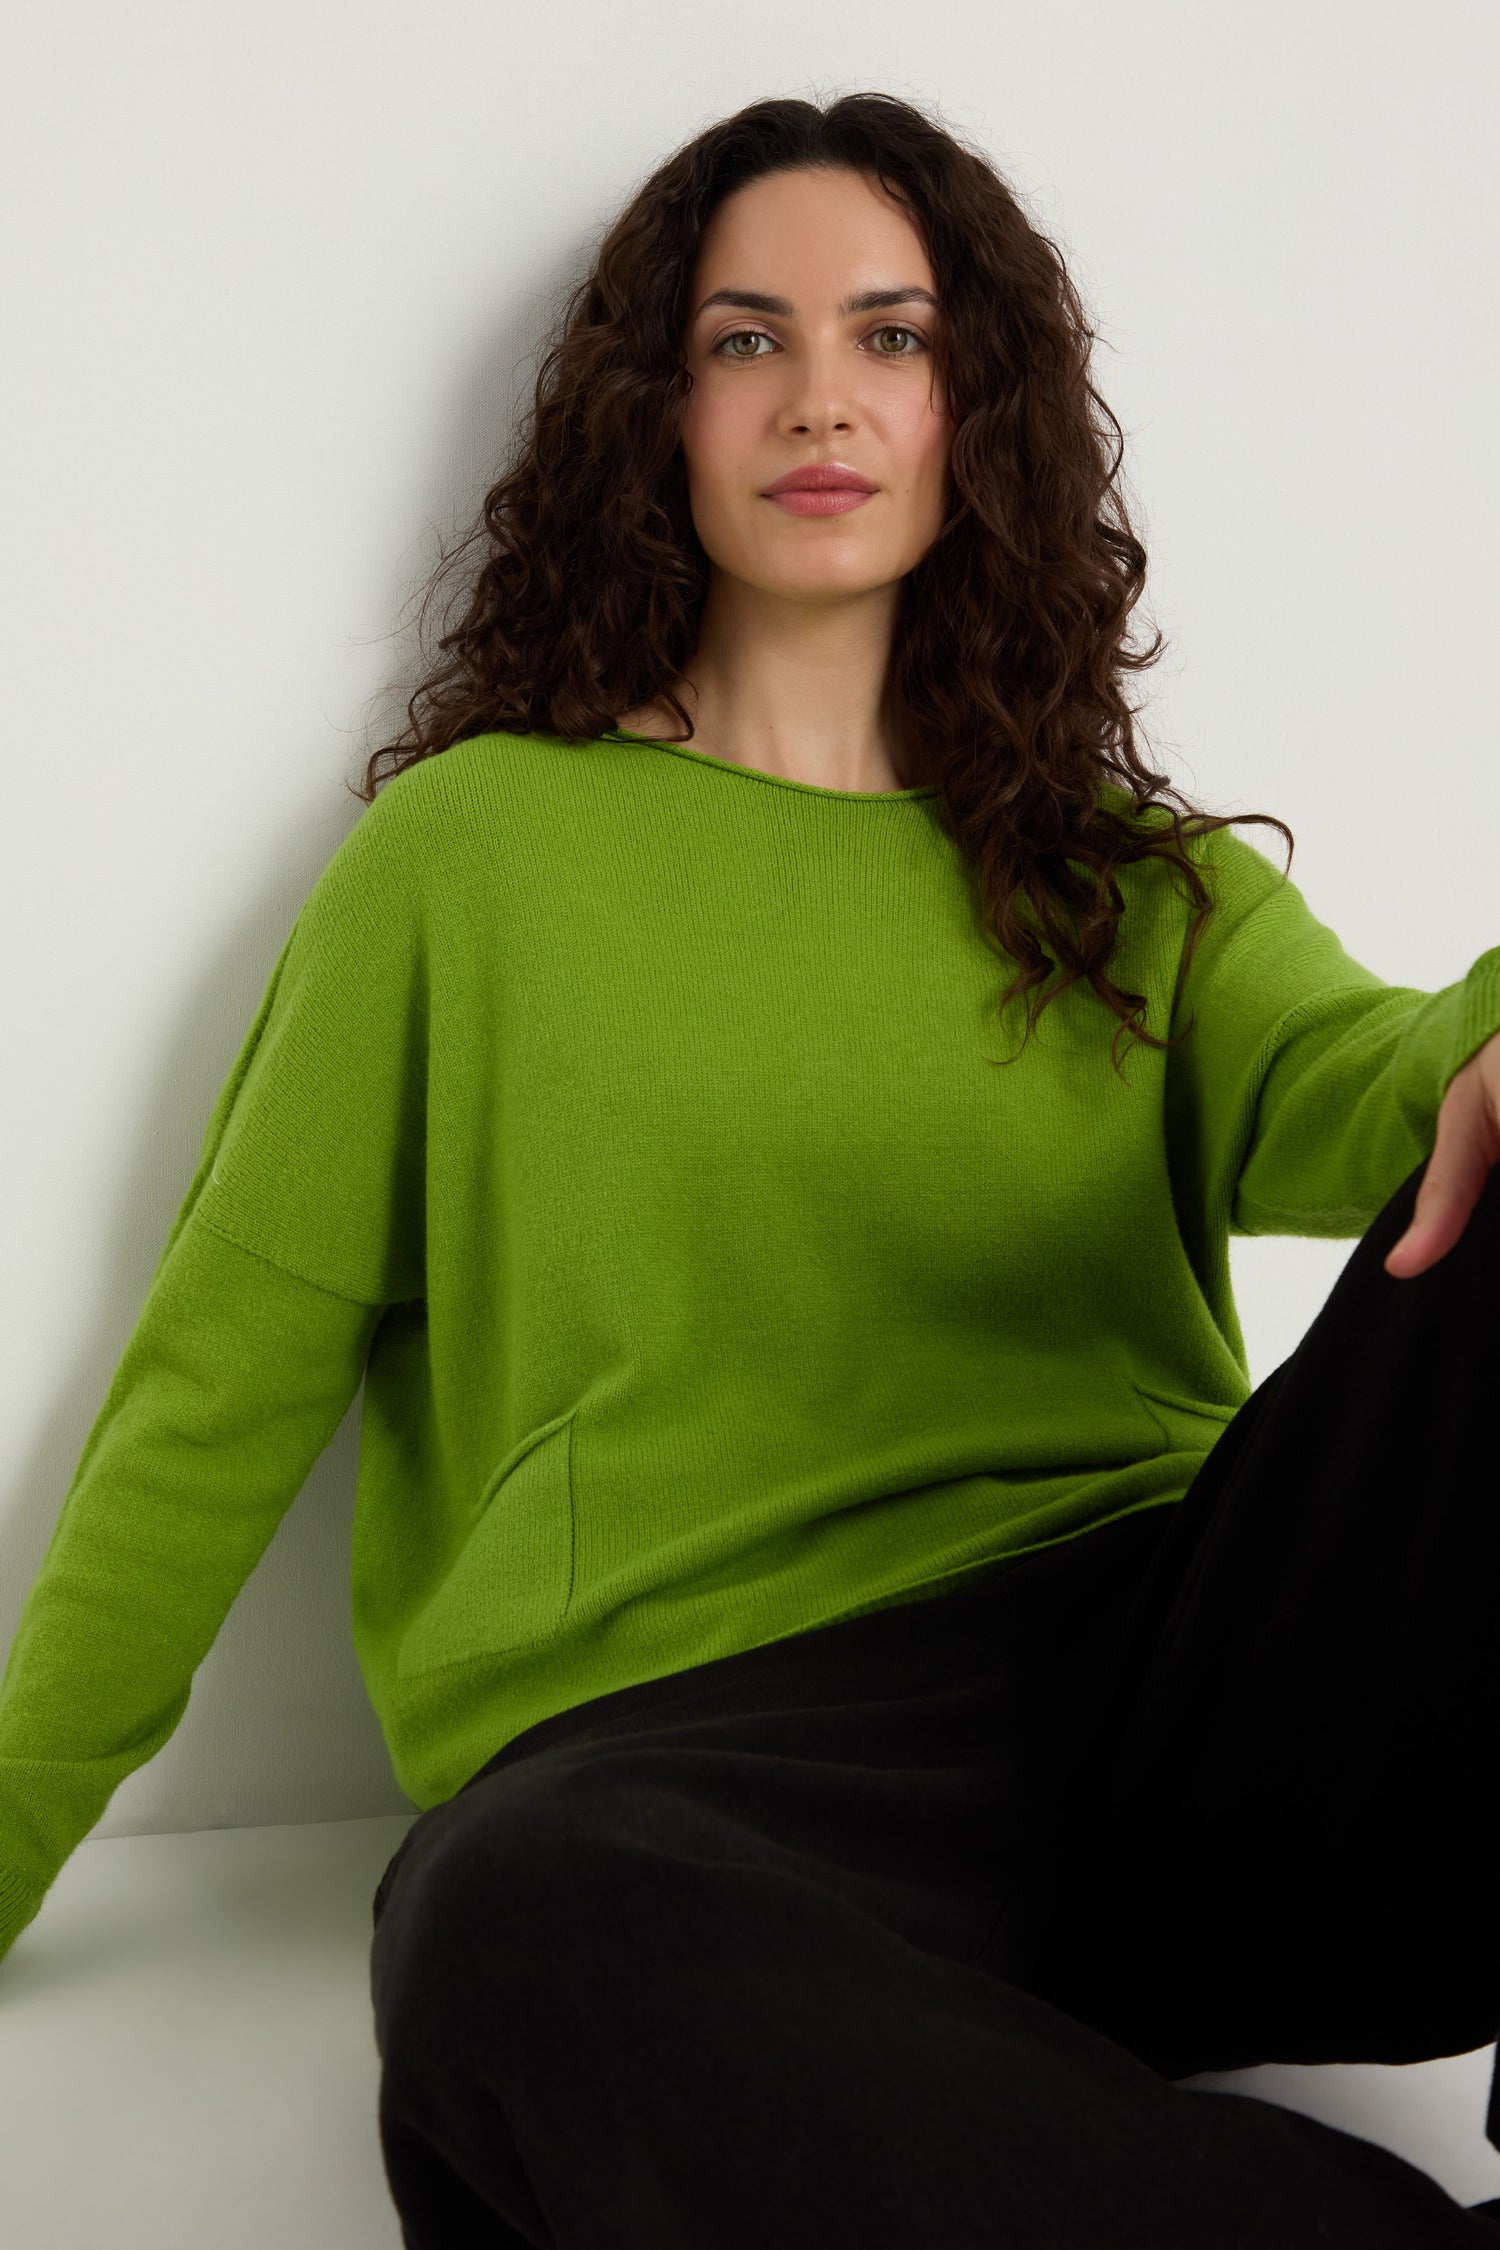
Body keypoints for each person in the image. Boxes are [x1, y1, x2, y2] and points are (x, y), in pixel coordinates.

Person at [3, 89, 1499, 2248]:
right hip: (719, 1787)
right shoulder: (473, 859)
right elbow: (213, 1388)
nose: (822, 396)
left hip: (1194, 1717)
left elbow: (1400, 1095)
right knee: (501, 1932)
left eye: (892, 336)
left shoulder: (1119, 879)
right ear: (657, 413)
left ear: (978, 408)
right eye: (745, 338)